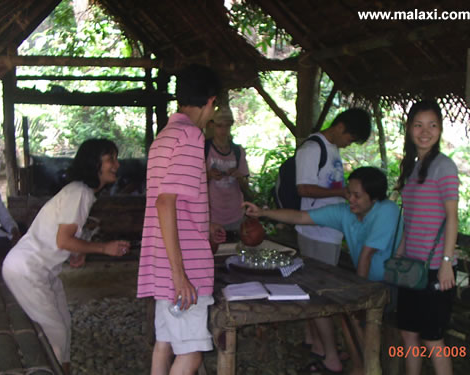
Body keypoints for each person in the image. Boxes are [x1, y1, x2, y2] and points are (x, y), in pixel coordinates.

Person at [244, 166, 400, 374]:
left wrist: (360, 297)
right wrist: (263, 212)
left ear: (374, 198)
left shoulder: (387, 210)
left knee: (352, 313)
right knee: (346, 313)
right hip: (366, 282)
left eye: (357, 196)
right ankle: (361, 365)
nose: (350, 199)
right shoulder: (346, 212)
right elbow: (301, 217)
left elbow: (367, 254)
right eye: (348, 193)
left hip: (390, 284)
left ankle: (368, 367)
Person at [2, 139, 130, 375]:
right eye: (110, 159)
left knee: (63, 325)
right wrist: (104, 248)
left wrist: (77, 252)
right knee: (55, 332)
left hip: (42, 270)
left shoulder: (82, 193)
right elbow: (63, 240)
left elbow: (63, 239)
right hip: (27, 269)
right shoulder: (79, 192)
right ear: (95, 164)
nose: (117, 164)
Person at [136, 64, 226, 375]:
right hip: (183, 265)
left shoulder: (165, 135)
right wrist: (180, 275)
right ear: (211, 101)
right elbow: (165, 202)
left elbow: (170, 200)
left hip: (162, 260)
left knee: (165, 343)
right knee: (192, 353)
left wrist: (205, 225)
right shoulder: (190, 136)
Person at [295, 108, 371, 372]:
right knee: (322, 296)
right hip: (314, 230)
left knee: (315, 291)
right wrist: (340, 192)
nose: (349, 143)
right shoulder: (312, 149)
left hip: (328, 230)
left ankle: (315, 342)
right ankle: (330, 356)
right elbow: (303, 188)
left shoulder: (332, 148)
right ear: (341, 128)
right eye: (350, 138)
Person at [395, 100, 458, 375]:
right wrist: (400, 250)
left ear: (440, 129)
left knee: (433, 339)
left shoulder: (444, 166)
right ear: (409, 129)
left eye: (432, 125)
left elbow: (452, 217)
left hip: (435, 269)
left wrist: (446, 262)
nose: (425, 131)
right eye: (418, 125)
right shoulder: (412, 166)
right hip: (412, 266)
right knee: (408, 335)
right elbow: (412, 218)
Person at [206, 105, 250, 247]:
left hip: (235, 215)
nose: (223, 130)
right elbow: (193, 183)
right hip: (211, 216)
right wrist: (209, 175)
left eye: (227, 126)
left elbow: (246, 187)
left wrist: (238, 176)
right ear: (212, 126)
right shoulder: (203, 149)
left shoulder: (238, 151)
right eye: (219, 126)